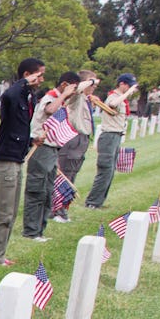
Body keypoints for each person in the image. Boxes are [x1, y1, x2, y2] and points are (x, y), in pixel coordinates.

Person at [0, 57, 45, 264]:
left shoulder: (28, 97)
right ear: (28, 75)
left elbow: (17, 129)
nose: (42, 79)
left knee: (11, 211)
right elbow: (8, 96)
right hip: (6, 160)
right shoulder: (15, 94)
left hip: (17, 158)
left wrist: (30, 140)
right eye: (39, 74)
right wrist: (23, 82)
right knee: (3, 211)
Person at [23, 72, 78, 242]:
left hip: (53, 149)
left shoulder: (61, 99)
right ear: (64, 85)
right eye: (73, 88)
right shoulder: (51, 97)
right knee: (37, 190)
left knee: (48, 191)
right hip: (41, 148)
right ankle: (31, 230)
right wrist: (64, 94)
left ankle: (40, 229)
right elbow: (49, 110)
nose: (75, 92)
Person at [86, 73, 138, 209]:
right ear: (122, 84)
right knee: (105, 169)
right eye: (129, 86)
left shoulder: (121, 99)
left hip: (116, 135)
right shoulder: (113, 96)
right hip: (109, 136)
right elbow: (113, 104)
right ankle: (92, 202)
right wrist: (129, 93)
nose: (130, 89)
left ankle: (99, 201)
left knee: (110, 171)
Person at [54, 70, 99, 223]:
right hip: (73, 139)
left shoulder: (86, 99)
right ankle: (58, 210)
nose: (94, 85)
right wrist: (91, 81)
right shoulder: (76, 95)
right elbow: (78, 87)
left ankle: (63, 208)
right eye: (92, 82)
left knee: (72, 173)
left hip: (82, 139)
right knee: (66, 175)